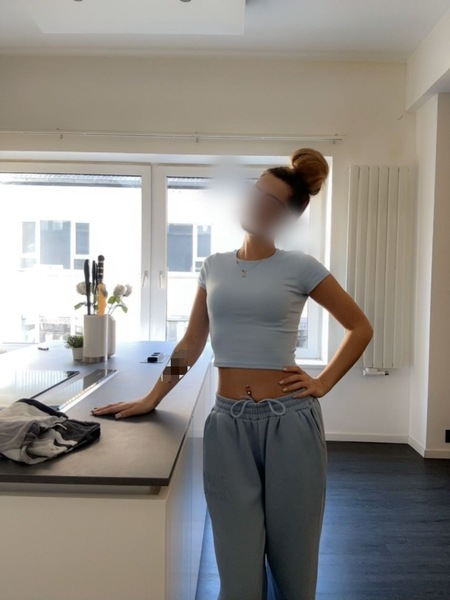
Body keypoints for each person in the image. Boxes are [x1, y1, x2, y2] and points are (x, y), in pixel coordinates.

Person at [92, 148, 373, 600]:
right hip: (227, 427)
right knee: (237, 567)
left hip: (290, 425)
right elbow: (191, 343)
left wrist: (323, 382)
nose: (257, 203)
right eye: (257, 192)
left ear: (287, 216)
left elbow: (360, 327)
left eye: (271, 201)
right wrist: (151, 398)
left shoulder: (301, 267)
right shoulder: (213, 266)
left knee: (294, 563)